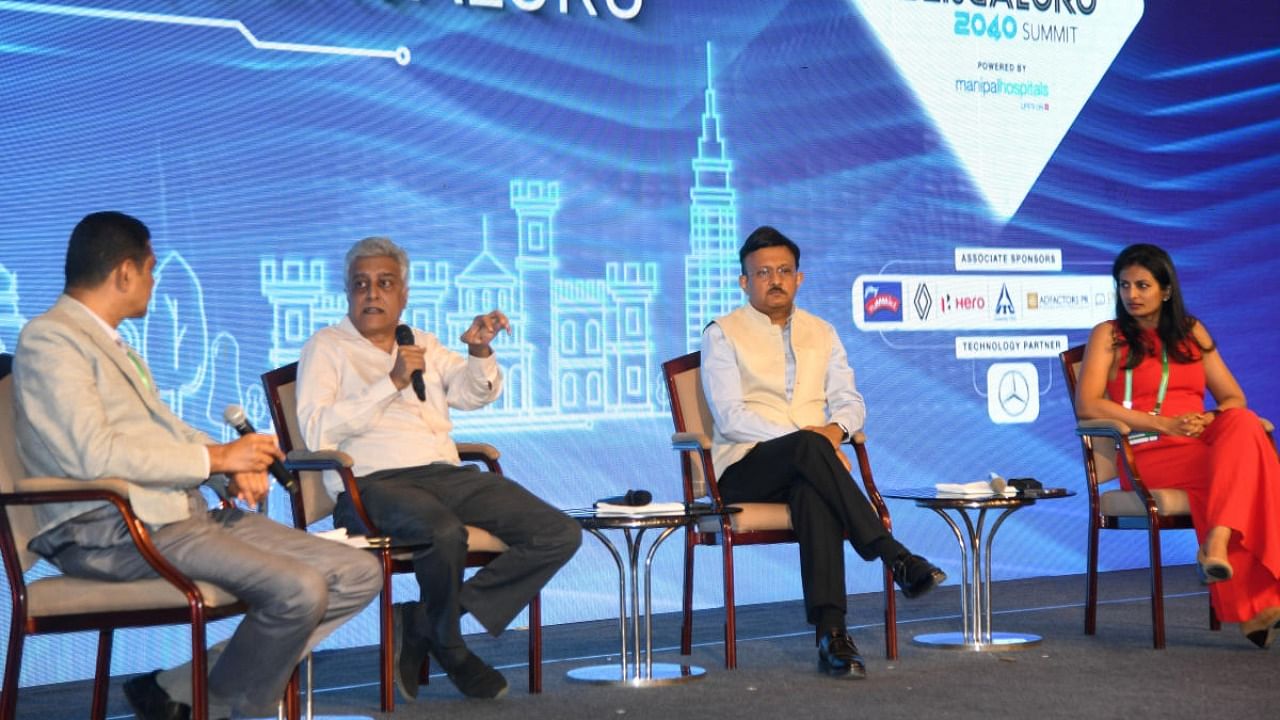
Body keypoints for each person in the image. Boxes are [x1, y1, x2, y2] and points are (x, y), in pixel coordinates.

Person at [12, 211, 383, 719]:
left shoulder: (110, 343)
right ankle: (236, 708)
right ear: (124, 272)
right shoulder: (50, 340)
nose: (152, 281)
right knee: (299, 590)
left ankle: (183, 689)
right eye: (149, 269)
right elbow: (92, 454)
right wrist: (216, 457)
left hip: (174, 515)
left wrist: (225, 466)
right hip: (114, 530)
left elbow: (166, 430)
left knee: (358, 572)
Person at [295, 236, 582, 701]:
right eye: (361, 284)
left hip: (444, 475)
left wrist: (479, 352)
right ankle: (451, 647)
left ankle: (426, 622)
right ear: (347, 293)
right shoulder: (327, 348)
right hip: (371, 486)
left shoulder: (420, 342)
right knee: (445, 532)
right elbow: (316, 431)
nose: (372, 294)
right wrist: (389, 383)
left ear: (403, 294)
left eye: (384, 283)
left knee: (559, 532)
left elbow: (472, 394)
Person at [700, 225, 946, 680]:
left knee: (814, 493)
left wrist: (833, 430)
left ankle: (832, 635)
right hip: (745, 467)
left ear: (800, 278)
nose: (775, 279)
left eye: (784, 271)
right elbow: (731, 417)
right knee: (810, 457)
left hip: (810, 469)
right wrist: (811, 440)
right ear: (744, 282)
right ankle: (893, 553)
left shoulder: (822, 331)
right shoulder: (722, 334)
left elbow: (852, 401)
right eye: (763, 273)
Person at [1076, 242, 1280, 649]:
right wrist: (1163, 423)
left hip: (1200, 443)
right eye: (1124, 285)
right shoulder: (1109, 336)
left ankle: (1218, 545)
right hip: (1148, 453)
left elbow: (1233, 398)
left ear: (1166, 290)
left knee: (1240, 421)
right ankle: (1258, 598)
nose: (1131, 295)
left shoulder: (1192, 331)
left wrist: (1208, 418)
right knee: (1252, 467)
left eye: (1142, 285)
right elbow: (1089, 403)